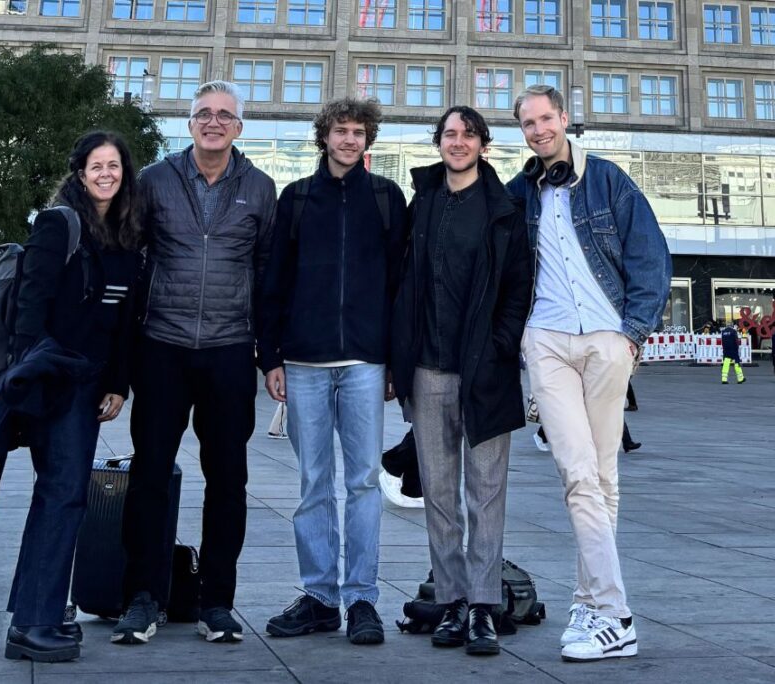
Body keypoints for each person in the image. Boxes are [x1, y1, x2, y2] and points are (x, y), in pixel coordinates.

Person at [506, 85, 671, 662]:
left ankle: (587, 600)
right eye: (527, 123)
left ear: (565, 119)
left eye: (545, 118)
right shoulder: (519, 192)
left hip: (606, 339)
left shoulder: (607, 180)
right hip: (546, 341)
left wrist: (632, 334)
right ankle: (616, 614)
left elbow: (651, 256)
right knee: (578, 473)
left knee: (603, 480)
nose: (538, 130)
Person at [115, 80, 277, 647]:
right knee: (150, 474)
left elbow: (267, 276)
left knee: (228, 480)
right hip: (161, 347)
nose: (213, 122)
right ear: (189, 124)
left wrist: (270, 354)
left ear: (239, 126)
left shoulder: (259, 188)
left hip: (230, 351)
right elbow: (128, 261)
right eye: (203, 114)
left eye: (224, 116)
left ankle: (217, 602)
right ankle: (141, 597)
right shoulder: (156, 181)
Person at [257, 97, 408, 646]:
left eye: (359, 132)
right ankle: (320, 597)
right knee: (313, 483)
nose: (349, 139)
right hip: (303, 363)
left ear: (369, 140)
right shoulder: (296, 199)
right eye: (341, 131)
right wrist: (269, 356)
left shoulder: (389, 200)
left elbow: (399, 289)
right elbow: (272, 283)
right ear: (324, 137)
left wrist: (395, 360)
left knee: (364, 482)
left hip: (366, 363)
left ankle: (362, 598)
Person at [391, 106, 533, 657]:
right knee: (441, 495)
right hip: (428, 370)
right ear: (439, 143)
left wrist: (499, 347)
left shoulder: (504, 209)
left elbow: (519, 287)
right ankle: (449, 601)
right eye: (450, 134)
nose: (458, 142)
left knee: (487, 492)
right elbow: (405, 277)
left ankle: (482, 606)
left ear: (483, 145)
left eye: (468, 134)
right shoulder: (423, 201)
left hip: (486, 373)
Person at [3, 131, 141, 662]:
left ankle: (33, 613)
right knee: (62, 495)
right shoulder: (58, 224)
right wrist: (29, 380)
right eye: (95, 165)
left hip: (92, 382)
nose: (106, 173)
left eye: (114, 165)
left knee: (58, 495)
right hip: (55, 379)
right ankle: (34, 622)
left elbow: (122, 322)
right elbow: (29, 311)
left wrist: (117, 383)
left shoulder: (124, 235)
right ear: (79, 173)